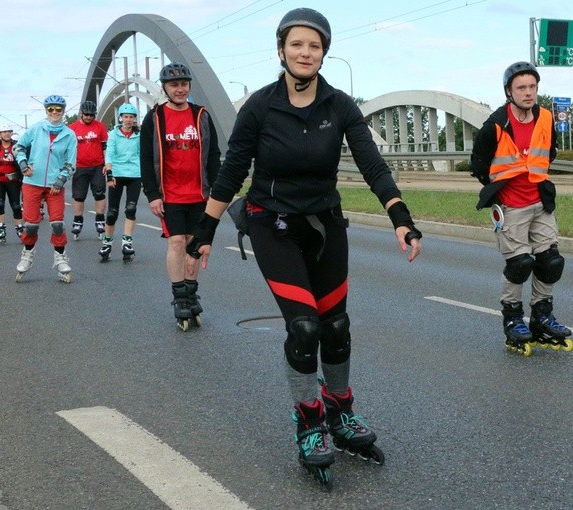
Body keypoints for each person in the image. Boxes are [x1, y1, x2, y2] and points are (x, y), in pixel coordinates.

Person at [187, 8, 422, 487]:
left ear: (323, 54)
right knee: (304, 325)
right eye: (296, 44)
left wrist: (401, 219)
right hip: (271, 224)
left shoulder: (339, 105)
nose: (305, 52)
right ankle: (309, 420)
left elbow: (373, 164)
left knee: (336, 325)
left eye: (314, 46)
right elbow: (232, 172)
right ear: (281, 50)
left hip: (325, 225)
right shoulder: (260, 106)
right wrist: (205, 232)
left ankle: (341, 412)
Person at [469, 61, 573, 356]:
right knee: (520, 264)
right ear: (508, 92)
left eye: (533, 87)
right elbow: (478, 164)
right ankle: (513, 320)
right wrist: (501, 189)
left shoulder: (545, 118)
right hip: (511, 205)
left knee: (550, 260)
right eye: (522, 88)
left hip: (540, 201)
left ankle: (541, 316)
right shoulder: (495, 125)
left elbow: (548, 153)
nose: (529, 93)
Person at [139, 62, 221, 329]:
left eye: (184, 84)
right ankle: (180, 298)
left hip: (199, 193)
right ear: (164, 88)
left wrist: (217, 189)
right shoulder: (155, 118)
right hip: (170, 194)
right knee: (176, 242)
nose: (180, 89)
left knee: (193, 245)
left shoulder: (201, 115)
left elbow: (213, 156)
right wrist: (152, 194)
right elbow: (146, 158)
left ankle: (191, 291)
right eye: (174, 85)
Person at [12, 95, 77, 283]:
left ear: (64, 112)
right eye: (51, 110)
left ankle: (61, 258)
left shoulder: (69, 134)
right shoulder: (36, 128)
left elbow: (70, 162)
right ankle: (27, 255)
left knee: (57, 224)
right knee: (31, 225)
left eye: (58, 110)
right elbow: (19, 147)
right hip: (32, 181)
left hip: (54, 185)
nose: (55, 113)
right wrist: (23, 164)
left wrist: (61, 180)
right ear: (46, 111)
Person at [100, 103, 141, 262]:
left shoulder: (139, 134)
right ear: (121, 118)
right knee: (112, 212)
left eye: (131, 117)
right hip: (117, 173)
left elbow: (142, 154)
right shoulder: (114, 134)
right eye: (126, 117)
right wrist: (109, 174)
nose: (128, 120)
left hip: (135, 174)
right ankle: (107, 242)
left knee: (131, 209)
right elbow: (109, 154)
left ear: (134, 119)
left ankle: (127, 242)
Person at [68, 100, 108, 239]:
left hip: (97, 166)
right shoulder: (72, 128)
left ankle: (100, 219)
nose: (89, 117)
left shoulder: (100, 127)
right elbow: (68, 148)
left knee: (99, 193)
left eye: (92, 115)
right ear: (81, 114)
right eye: (87, 115)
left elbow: (105, 147)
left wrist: (107, 164)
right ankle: (78, 221)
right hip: (79, 166)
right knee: (79, 196)